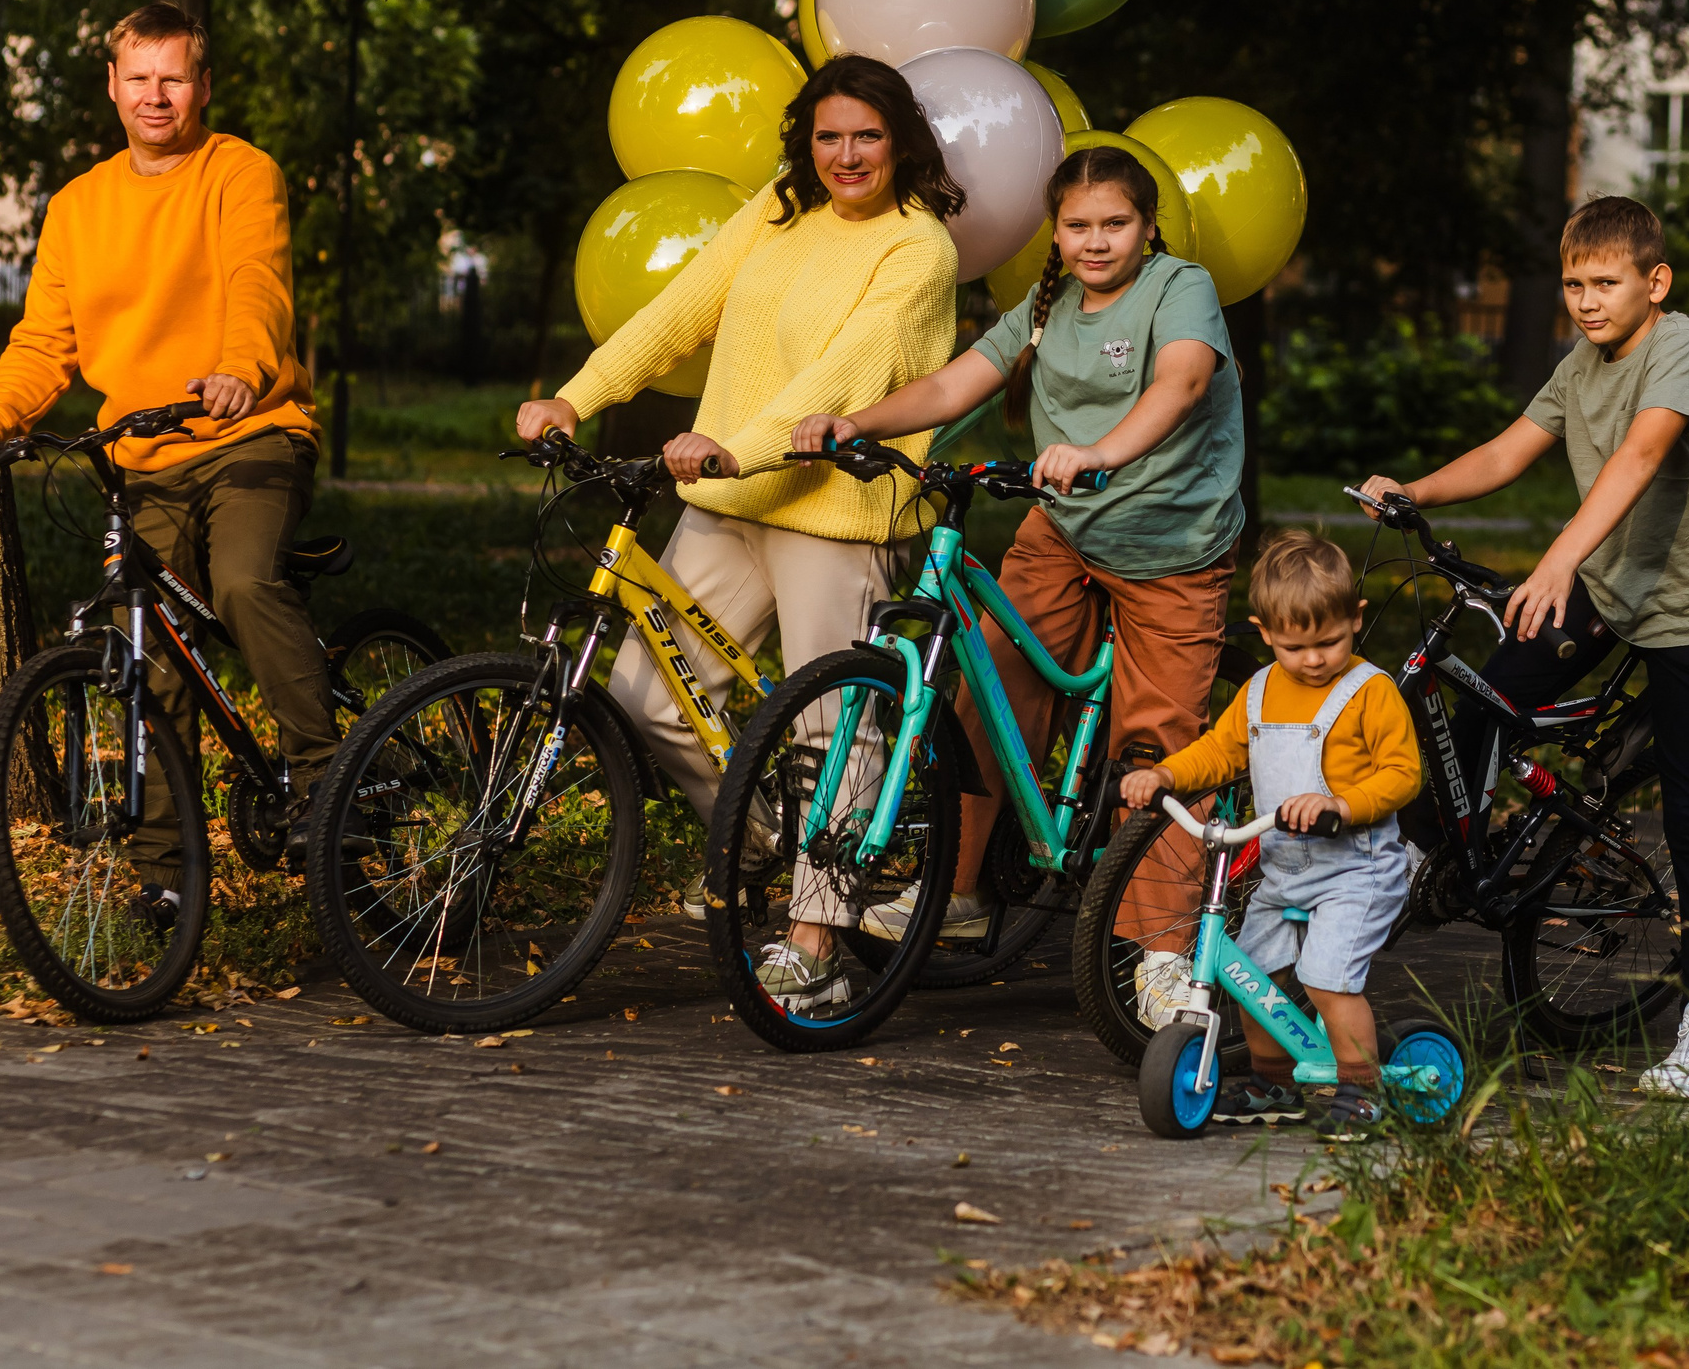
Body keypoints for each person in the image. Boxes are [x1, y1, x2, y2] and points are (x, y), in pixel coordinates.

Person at [515, 54, 962, 1012]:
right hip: (728, 500)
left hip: (833, 511)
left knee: (829, 727)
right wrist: (576, 396)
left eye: (868, 136)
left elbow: (845, 377)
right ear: (807, 137)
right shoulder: (776, 207)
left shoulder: (918, 248)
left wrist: (736, 445)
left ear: (902, 143)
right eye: (829, 134)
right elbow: (681, 310)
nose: (846, 155)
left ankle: (819, 934)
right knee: (643, 697)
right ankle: (766, 838)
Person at [792, 146, 1243, 992]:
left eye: (1116, 224)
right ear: (1056, 233)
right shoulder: (1045, 308)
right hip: (1065, 533)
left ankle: (1166, 954)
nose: (1097, 241)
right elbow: (953, 384)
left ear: (1148, 228)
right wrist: (859, 423)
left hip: (1171, 552)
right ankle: (958, 890)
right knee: (987, 693)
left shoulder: (1180, 288)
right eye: (1079, 226)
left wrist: (1100, 452)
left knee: (1158, 744)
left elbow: (1181, 382)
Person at [1354, 194, 1689, 1101]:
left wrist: (1559, 557)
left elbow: (1644, 453)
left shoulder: (1678, 346)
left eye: (1605, 282)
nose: (1585, 299)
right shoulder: (1582, 362)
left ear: (1656, 282)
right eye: (1573, 283)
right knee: (1484, 704)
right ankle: (1425, 865)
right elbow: (1508, 452)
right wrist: (1412, 491)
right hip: (1611, 590)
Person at [0, 2, 330, 908]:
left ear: (203, 86)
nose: (156, 95)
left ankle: (328, 781)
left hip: (251, 434)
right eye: (138, 77)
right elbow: (46, 343)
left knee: (240, 580)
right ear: (112, 86)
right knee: (148, 647)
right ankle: (166, 877)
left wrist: (240, 368)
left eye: (174, 77)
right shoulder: (79, 205)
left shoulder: (239, 172)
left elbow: (256, 281)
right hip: (144, 456)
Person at [1120, 530, 1421, 1136]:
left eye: (1329, 642)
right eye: (1294, 646)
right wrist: (1165, 774)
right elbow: (1219, 753)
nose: (1313, 659)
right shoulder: (1259, 691)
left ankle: (1362, 1091)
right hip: (1284, 869)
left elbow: (1404, 774)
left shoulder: (1371, 691)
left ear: (1355, 620)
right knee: (1252, 976)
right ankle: (1272, 1083)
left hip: (1356, 870)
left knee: (1327, 979)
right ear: (1263, 632)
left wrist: (1341, 802)